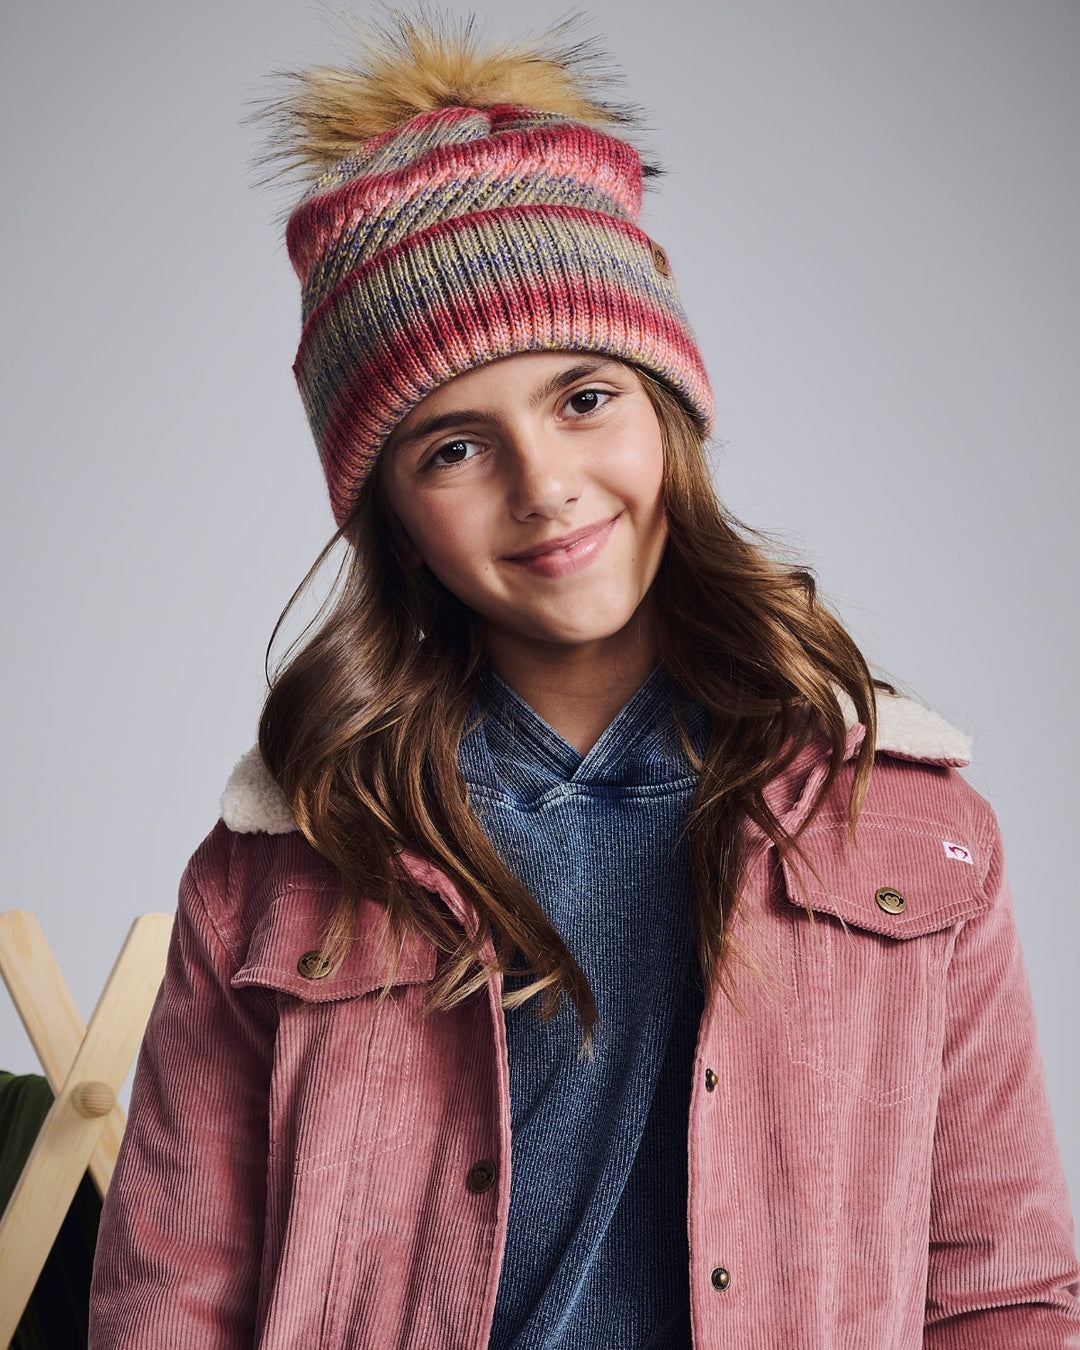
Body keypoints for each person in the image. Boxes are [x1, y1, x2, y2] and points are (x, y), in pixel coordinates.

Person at [88, 12, 1080, 1348]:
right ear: (391, 509)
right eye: (452, 447)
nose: (544, 484)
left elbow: (1003, 1293)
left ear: (668, 404)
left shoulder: (911, 826)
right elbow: (167, 1302)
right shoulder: (277, 865)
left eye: (584, 396)